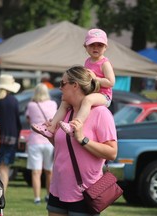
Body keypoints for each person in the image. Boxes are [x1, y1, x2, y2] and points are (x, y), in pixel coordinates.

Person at [45, 66, 117, 215]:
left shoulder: (101, 113)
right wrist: (50, 137)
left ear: (75, 85)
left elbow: (112, 153)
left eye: (62, 83)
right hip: (58, 188)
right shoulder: (66, 113)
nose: (60, 88)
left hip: (84, 192)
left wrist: (82, 139)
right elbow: (65, 149)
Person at [32, 28, 115, 138]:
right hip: (89, 92)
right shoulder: (87, 61)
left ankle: (75, 125)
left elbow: (111, 82)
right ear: (85, 46)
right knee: (65, 102)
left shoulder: (105, 63)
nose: (95, 47)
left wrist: (96, 79)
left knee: (87, 100)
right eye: (92, 45)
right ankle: (51, 127)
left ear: (105, 47)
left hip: (104, 96)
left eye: (99, 45)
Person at [25, 83, 57, 204]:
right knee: (49, 170)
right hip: (49, 140)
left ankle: (37, 198)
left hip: (35, 140)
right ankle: (49, 195)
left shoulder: (31, 105)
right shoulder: (53, 104)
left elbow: (29, 120)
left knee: (36, 171)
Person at [0, 74, 22, 192]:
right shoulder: (13, 101)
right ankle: (2, 193)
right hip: (11, 139)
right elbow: (17, 122)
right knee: (4, 168)